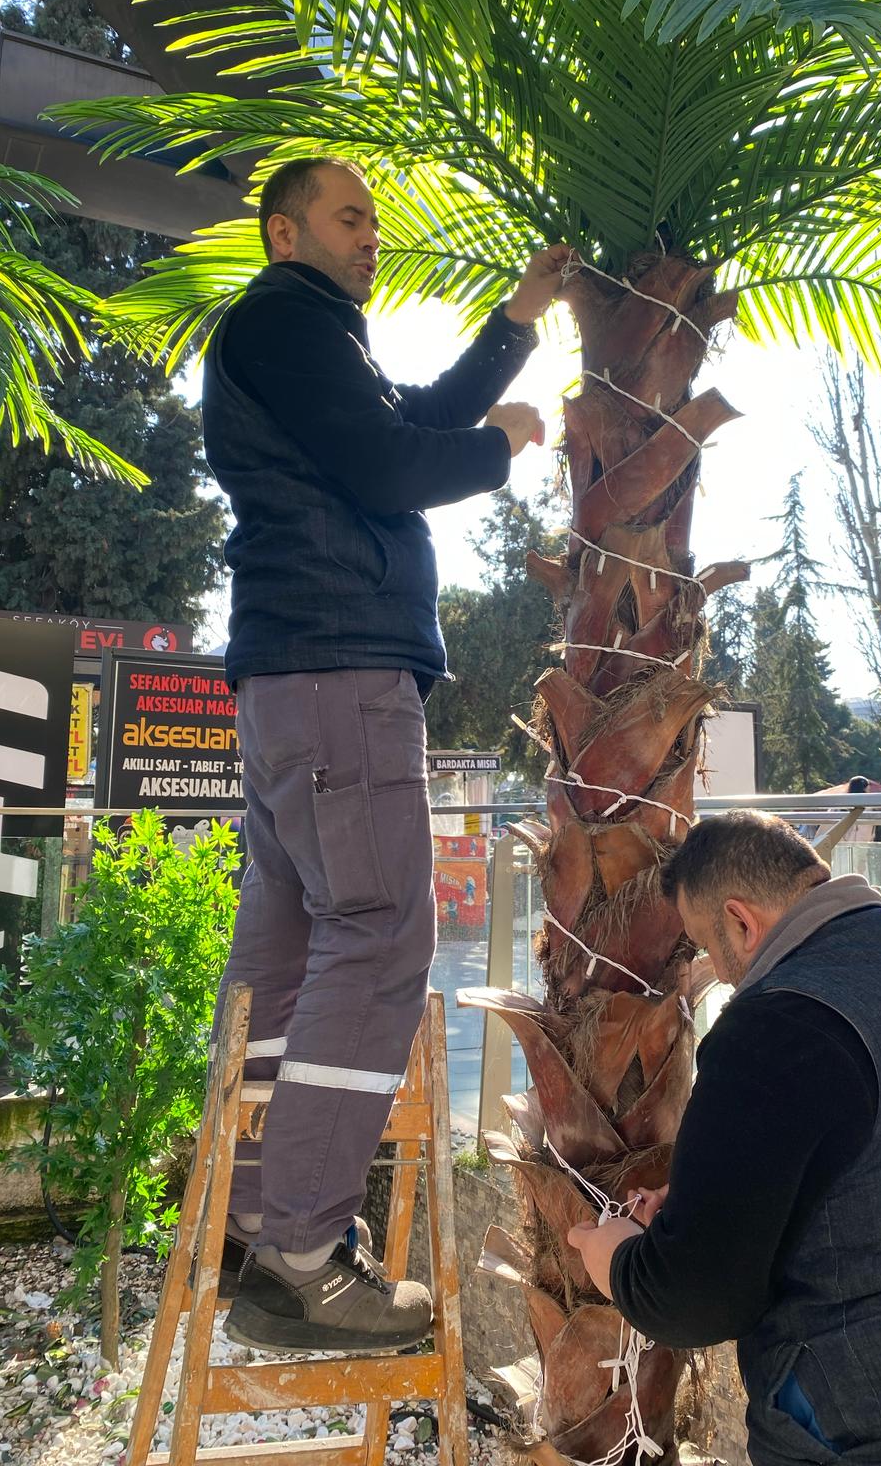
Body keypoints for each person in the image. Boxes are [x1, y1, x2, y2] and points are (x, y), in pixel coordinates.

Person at [202, 154, 568, 1355]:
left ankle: (251, 1225)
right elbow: (393, 460)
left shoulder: (314, 342)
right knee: (382, 935)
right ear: (284, 232)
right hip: (341, 674)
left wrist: (516, 321)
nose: (371, 235)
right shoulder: (285, 322)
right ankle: (304, 1260)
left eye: (374, 219)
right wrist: (502, 446)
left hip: (293, 686)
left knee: (285, 956)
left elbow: (409, 415)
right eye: (349, 216)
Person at [567, 809, 881, 1465]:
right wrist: (707, 1202)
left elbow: (697, 1299)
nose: (714, 970)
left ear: (741, 922)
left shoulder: (777, 1026)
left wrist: (616, 1259)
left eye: (704, 945)